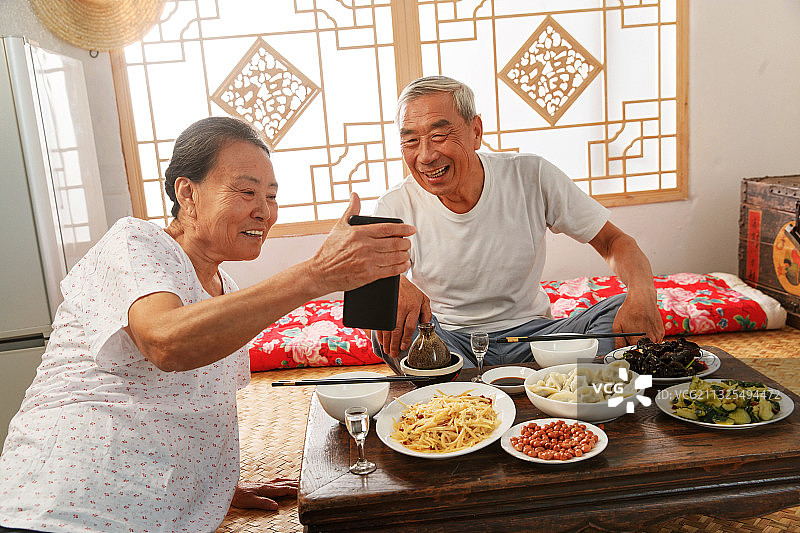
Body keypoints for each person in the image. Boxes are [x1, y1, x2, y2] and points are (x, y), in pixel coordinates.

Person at [0, 116, 415, 532]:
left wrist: (214, 489)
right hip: (69, 509)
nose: (264, 210)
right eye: (246, 191)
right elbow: (166, 343)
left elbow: (194, 405)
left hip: (169, 515)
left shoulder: (225, 286)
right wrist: (315, 275)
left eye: (271, 195)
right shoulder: (134, 242)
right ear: (187, 193)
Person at [372, 75, 665, 371]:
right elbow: (365, 279)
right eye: (411, 140)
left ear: (476, 132)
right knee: (383, 321)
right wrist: (390, 284)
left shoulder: (530, 175)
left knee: (619, 314)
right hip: (449, 341)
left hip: (534, 337)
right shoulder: (395, 204)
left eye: (439, 136)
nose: (426, 155)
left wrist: (643, 292)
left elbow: (614, 242)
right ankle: (547, 381)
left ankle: (459, 388)